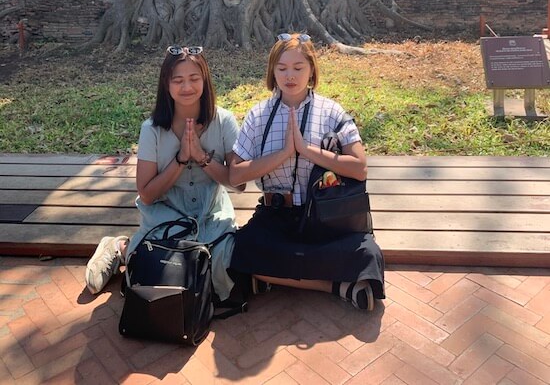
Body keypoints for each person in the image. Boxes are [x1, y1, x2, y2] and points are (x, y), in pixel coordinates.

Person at [229, 33, 385, 311]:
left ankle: (274, 277)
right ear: (272, 71)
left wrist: (307, 150)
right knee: (241, 248)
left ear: (312, 69)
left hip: (324, 218)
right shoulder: (258, 115)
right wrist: (283, 155)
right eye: (282, 68)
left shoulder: (331, 112)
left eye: (298, 68)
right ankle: (336, 286)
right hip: (276, 215)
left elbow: (360, 168)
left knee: (367, 253)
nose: (290, 75)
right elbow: (235, 176)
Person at [85, 45, 244, 305]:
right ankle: (120, 248)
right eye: (178, 80)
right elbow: (147, 195)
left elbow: (238, 184)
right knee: (157, 272)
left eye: (194, 79)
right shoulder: (152, 129)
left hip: (210, 213)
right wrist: (181, 159)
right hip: (166, 212)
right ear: (166, 85)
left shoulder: (224, 121)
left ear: (205, 80)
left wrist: (202, 157)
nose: (187, 87)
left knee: (224, 268)